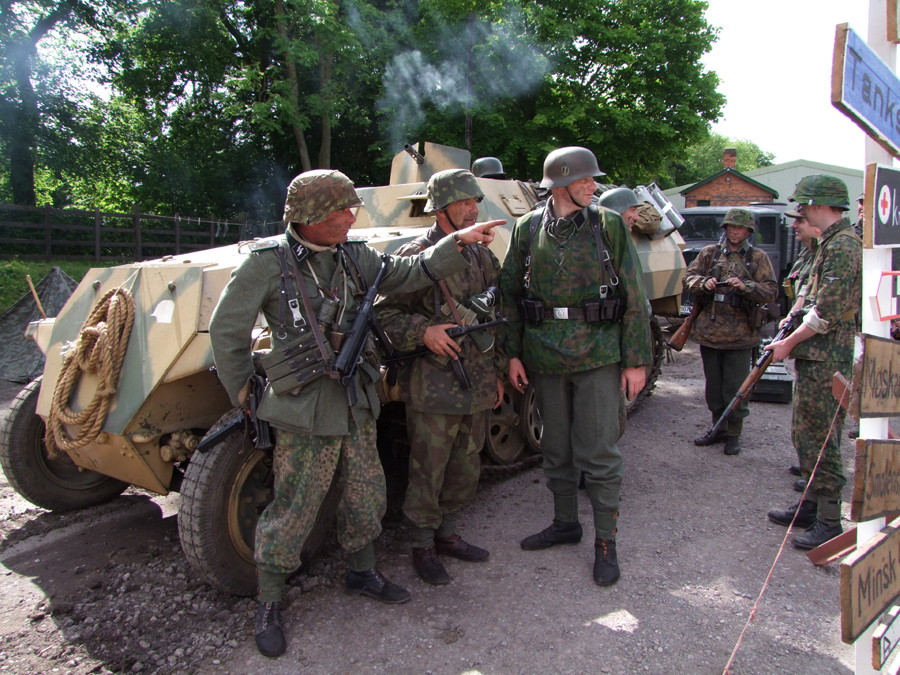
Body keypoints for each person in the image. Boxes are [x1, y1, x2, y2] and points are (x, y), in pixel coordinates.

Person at [209, 169, 502, 658]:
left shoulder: (355, 256)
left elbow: (409, 273)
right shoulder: (267, 263)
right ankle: (270, 599)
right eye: (342, 210)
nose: (351, 216)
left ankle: (362, 571)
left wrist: (459, 242)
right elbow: (227, 329)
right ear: (309, 216)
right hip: (304, 407)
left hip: (356, 397)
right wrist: (243, 393)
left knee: (366, 492)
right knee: (295, 504)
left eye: (351, 208)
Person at [500, 146, 651, 587]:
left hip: (598, 354)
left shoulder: (607, 226)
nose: (594, 186)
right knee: (555, 447)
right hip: (545, 355)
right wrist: (511, 352)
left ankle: (607, 541)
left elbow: (634, 296)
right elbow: (509, 293)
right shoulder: (528, 228)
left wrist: (636, 360)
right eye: (586, 180)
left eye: (592, 180)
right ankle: (565, 523)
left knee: (599, 452)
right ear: (561, 183)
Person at [375, 169, 507, 585]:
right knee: (427, 469)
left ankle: (447, 535)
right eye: (465, 202)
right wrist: (424, 332)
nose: (473, 209)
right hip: (433, 383)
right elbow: (383, 313)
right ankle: (421, 543)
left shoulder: (483, 254)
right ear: (442, 207)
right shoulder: (418, 255)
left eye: (475, 201)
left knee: (466, 466)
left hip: (478, 380)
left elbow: (496, 316)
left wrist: (498, 373)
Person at [765, 175, 861, 550]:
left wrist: (787, 342)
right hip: (816, 355)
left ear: (822, 205)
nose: (800, 212)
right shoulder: (829, 243)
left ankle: (829, 520)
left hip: (826, 356)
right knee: (805, 432)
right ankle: (810, 504)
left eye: (804, 206)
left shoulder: (843, 247)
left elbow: (827, 312)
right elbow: (809, 295)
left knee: (820, 437)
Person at [682, 208, 778, 456]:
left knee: (735, 388)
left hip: (741, 335)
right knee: (714, 389)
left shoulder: (757, 258)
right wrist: (704, 283)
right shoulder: (709, 254)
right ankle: (718, 429)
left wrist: (746, 286)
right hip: (710, 333)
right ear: (725, 229)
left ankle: (733, 434)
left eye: (740, 228)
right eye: (731, 227)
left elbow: (771, 291)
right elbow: (688, 278)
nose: (735, 231)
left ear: (748, 231)